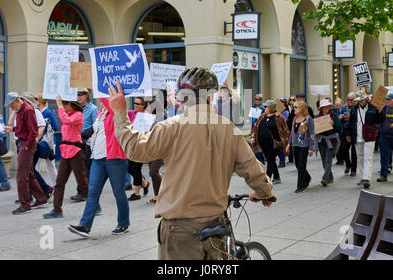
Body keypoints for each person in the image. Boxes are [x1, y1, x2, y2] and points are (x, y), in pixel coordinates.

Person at [109, 67, 275, 260]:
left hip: (179, 229)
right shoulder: (229, 129)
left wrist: (120, 113)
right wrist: (265, 193)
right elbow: (251, 168)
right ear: (211, 98)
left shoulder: (171, 127)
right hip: (216, 226)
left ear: (181, 98)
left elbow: (135, 149)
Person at [68, 98, 131, 238]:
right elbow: (96, 132)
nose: (103, 100)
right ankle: (84, 226)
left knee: (118, 192)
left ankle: (123, 223)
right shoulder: (101, 112)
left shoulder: (117, 112)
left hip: (115, 158)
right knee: (92, 192)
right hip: (98, 157)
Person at [43, 96, 88, 219]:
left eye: (66, 104)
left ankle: (94, 206)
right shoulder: (69, 114)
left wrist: (59, 106)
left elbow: (66, 120)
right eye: (63, 104)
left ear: (72, 105)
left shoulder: (78, 115)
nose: (64, 107)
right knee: (59, 182)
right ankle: (57, 210)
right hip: (65, 151)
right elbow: (65, 120)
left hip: (76, 152)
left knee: (82, 182)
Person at [4, 93, 47, 215]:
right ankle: (41, 199)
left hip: (27, 144)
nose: (12, 108)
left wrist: (27, 145)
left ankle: (25, 205)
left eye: (12, 105)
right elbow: (24, 129)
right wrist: (12, 129)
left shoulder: (27, 110)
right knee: (28, 173)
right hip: (24, 142)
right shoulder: (21, 109)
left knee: (21, 176)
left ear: (18, 101)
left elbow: (33, 132)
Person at [346, 91, 385, 189]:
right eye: (359, 100)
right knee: (360, 157)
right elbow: (350, 123)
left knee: (368, 157)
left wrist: (380, 112)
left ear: (366, 99)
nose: (361, 101)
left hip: (369, 136)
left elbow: (379, 120)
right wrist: (348, 134)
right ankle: (364, 176)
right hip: (357, 136)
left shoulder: (373, 107)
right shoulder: (354, 109)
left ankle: (366, 178)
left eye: (362, 99)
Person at [251, 100, 290, 184]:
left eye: (266, 107)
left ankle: (267, 179)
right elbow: (255, 127)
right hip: (263, 143)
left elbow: (286, 131)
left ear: (271, 107)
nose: (264, 108)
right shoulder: (261, 117)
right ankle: (277, 177)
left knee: (271, 159)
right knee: (270, 160)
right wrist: (253, 136)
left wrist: (287, 143)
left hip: (275, 144)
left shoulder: (279, 117)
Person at [71, 88, 98, 202]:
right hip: (76, 140)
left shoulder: (93, 109)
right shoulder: (76, 109)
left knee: (85, 168)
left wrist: (87, 133)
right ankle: (85, 191)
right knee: (78, 167)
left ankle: (83, 192)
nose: (78, 97)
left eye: (80, 94)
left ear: (86, 95)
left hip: (87, 141)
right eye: (77, 94)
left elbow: (97, 126)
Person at [285, 100, 315, 193]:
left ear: (301, 109)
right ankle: (307, 177)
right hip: (295, 144)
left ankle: (301, 185)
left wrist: (311, 148)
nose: (294, 109)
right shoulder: (294, 119)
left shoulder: (308, 119)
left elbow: (312, 134)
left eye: (296, 107)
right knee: (297, 164)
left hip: (304, 145)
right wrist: (289, 144)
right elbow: (292, 133)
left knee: (302, 165)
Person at [126, 97, 150, 201]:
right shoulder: (131, 113)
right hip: (131, 145)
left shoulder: (146, 116)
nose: (135, 105)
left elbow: (145, 133)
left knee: (136, 168)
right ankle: (144, 183)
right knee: (129, 167)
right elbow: (120, 112)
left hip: (140, 145)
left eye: (138, 104)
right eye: (134, 103)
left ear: (143, 106)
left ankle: (137, 193)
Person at [34, 92, 58, 190]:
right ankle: (38, 187)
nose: (34, 100)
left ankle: (56, 186)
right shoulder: (35, 111)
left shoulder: (47, 112)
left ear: (40, 101)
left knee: (50, 165)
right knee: (36, 166)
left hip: (48, 142)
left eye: (35, 98)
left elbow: (55, 126)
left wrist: (45, 126)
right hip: (37, 142)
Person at [315, 99, 341, 186]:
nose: (326, 108)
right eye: (324, 107)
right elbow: (315, 130)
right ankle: (330, 177)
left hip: (331, 140)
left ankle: (325, 178)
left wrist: (333, 124)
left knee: (328, 160)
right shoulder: (317, 117)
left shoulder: (334, 116)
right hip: (321, 141)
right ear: (321, 108)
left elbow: (339, 128)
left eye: (327, 106)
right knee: (323, 160)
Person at [339, 92, 357, 176]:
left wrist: (350, 118)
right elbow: (339, 118)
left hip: (354, 132)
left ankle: (353, 169)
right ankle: (348, 164)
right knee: (344, 149)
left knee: (354, 151)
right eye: (348, 100)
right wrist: (341, 117)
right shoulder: (343, 108)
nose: (350, 101)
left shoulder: (357, 108)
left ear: (355, 100)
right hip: (345, 131)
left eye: (351, 100)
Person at [251, 94, 265, 163]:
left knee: (260, 144)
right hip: (253, 128)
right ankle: (259, 159)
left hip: (260, 128)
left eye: (259, 99)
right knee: (254, 143)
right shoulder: (253, 107)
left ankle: (261, 158)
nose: (257, 101)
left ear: (261, 100)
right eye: (255, 99)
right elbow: (251, 118)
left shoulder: (264, 108)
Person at [277, 98, 290, 167]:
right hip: (276, 131)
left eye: (282, 103)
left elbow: (284, 121)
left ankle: (282, 161)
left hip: (283, 132)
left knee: (281, 147)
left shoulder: (286, 112)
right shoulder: (275, 112)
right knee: (277, 147)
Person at [333, 98, 345, 165]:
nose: (337, 106)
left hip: (342, 131)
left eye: (338, 105)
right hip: (336, 131)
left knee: (342, 146)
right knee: (337, 146)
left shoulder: (343, 111)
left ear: (342, 105)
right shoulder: (334, 111)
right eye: (336, 105)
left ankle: (342, 159)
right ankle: (338, 160)